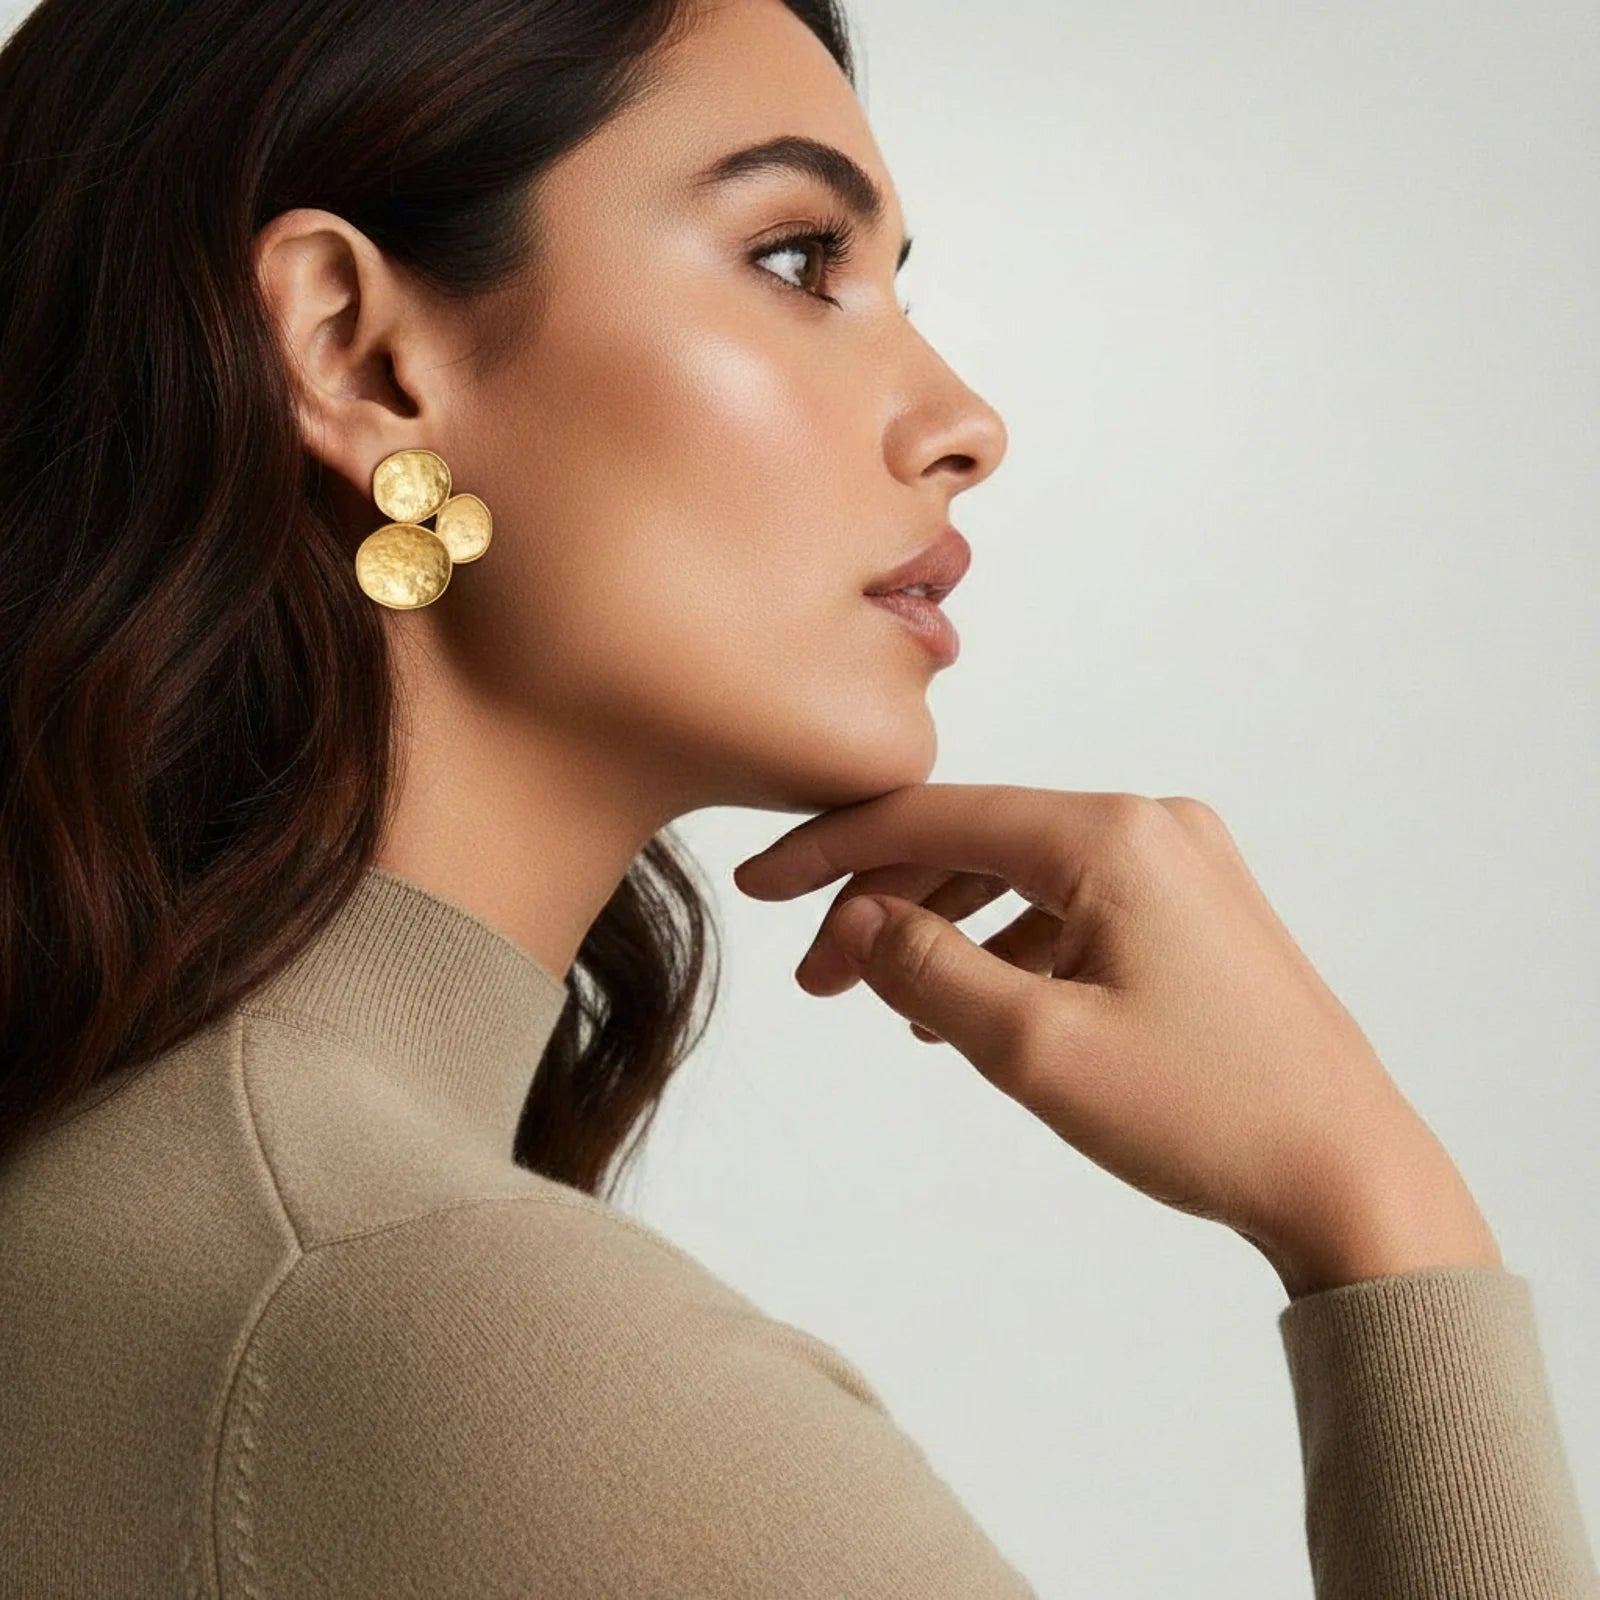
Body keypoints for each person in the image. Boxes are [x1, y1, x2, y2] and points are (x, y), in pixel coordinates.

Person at [0, 0, 1593, 1594]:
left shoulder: (131, 1211)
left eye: (900, 282)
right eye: (795, 259)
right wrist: (1381, 1220)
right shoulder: (446, 1336)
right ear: (359, 352)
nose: (967, 423)